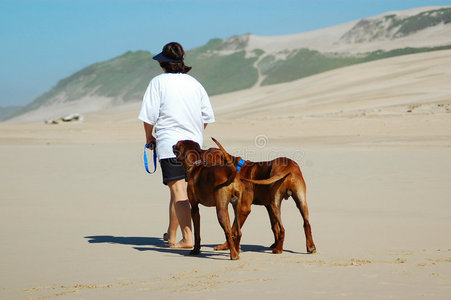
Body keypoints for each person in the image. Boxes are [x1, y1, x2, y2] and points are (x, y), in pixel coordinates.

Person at [138, 42, 215, 248]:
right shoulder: (195, 83)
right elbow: (206, 116)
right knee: (178, 190)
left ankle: (188, 238)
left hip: (170, 144)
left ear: (163, 63)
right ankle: (171, 235)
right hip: (194, 147)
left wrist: (149, 137)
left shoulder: (158, 82)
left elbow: (149, 117)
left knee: (179, 190)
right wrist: (195, 135)